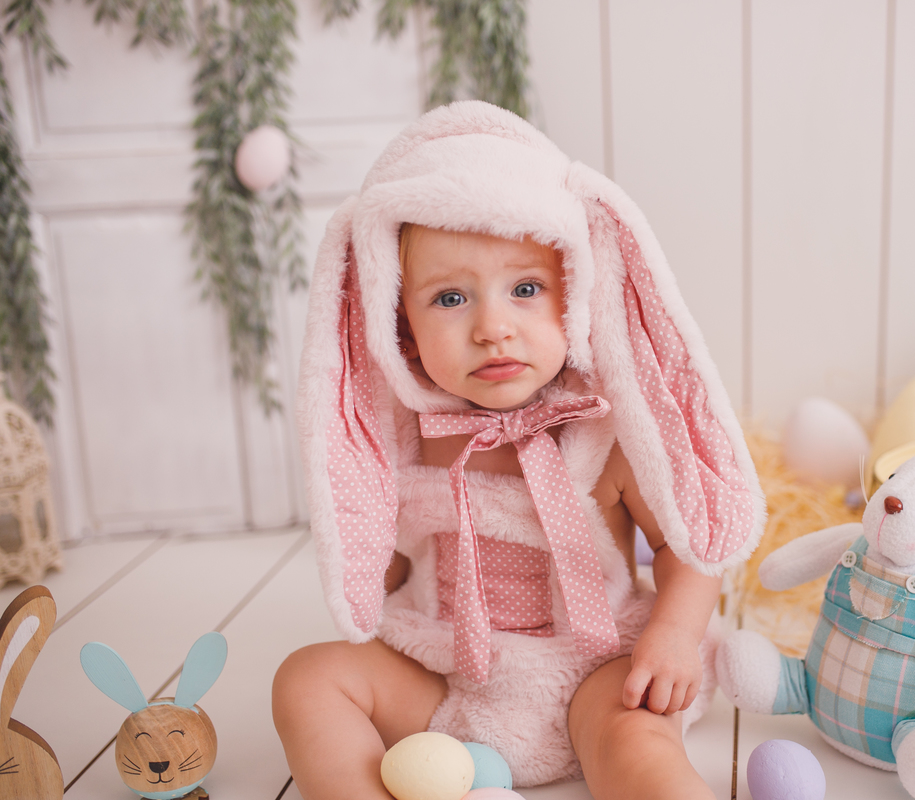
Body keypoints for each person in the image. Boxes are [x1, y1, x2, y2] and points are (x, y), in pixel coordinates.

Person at [273, 101, 764, 800]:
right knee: (306, 679)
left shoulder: (605, 435)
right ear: (398, 327)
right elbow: (382, 556)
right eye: (450, 299)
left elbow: (686, 544)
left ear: (577, 297)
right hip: (443, 677)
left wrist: (676, 635)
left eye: (526, 289)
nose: (492, 328)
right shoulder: (404, 442)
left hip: (593, 673)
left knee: (637, 741)